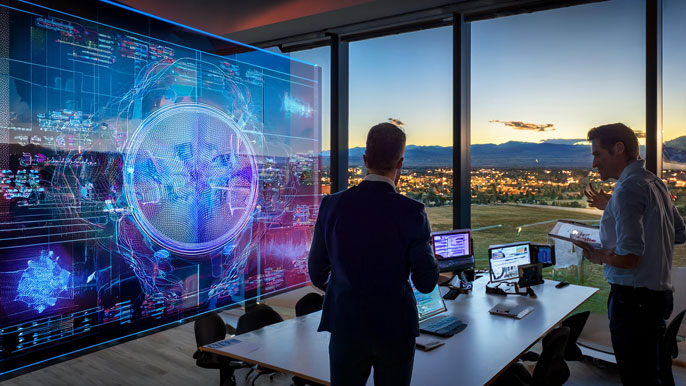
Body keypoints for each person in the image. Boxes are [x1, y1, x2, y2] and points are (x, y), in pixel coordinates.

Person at [308, 122, 439, 386]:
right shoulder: (412, 212)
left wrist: (344, 286)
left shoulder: (331, 205)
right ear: (400, 163)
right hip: (395, 329)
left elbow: (316, 272)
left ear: (365, 159)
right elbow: (426, 282)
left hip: (346, 325)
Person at [573, 123, 686, 386]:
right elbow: (679, 233)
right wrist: (612, 206)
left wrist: (598, 255)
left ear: (619, 149)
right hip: (656, 298)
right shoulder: (654, 183)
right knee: (651, 373)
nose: (593, 164)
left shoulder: (626, 190)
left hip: (633, 303)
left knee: (637, 378)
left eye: (598, 154)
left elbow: (631, 259)